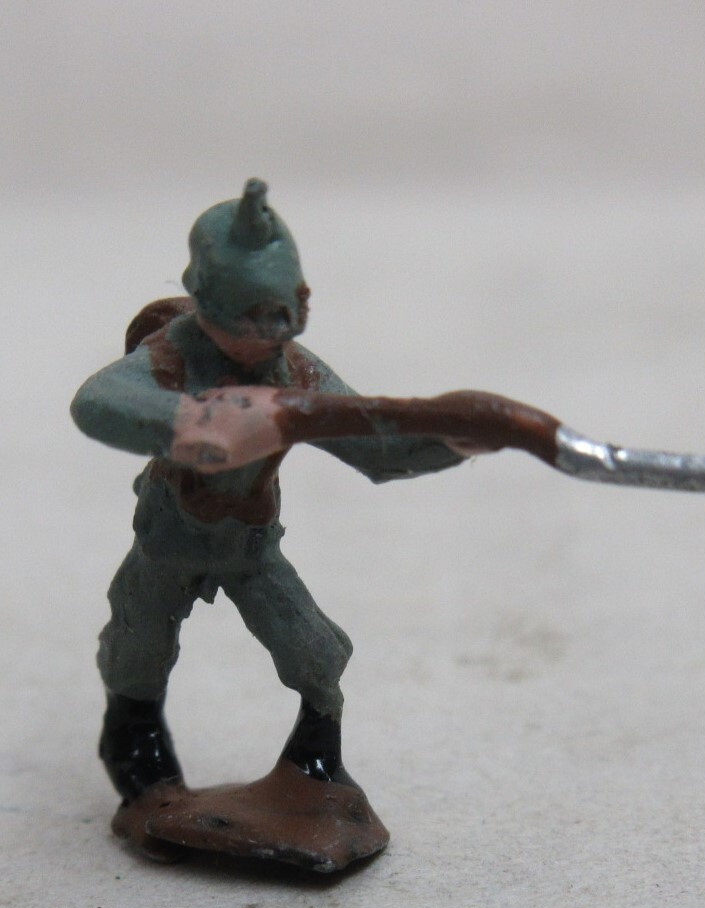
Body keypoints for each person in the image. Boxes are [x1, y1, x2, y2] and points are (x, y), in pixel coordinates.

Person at [71, 178, 464, 807]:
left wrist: (455, 440)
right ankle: (134, 742)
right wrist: (191, 422)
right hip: (169, 536)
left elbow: (374, 445)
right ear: (204, 302)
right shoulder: (171, 356)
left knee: (313, 654)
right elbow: (98, 400)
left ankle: (316, 762)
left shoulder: (297, 370)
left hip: (250, 546)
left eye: (283, 317)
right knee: (136, 646)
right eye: (250, 321)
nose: (268, 336)